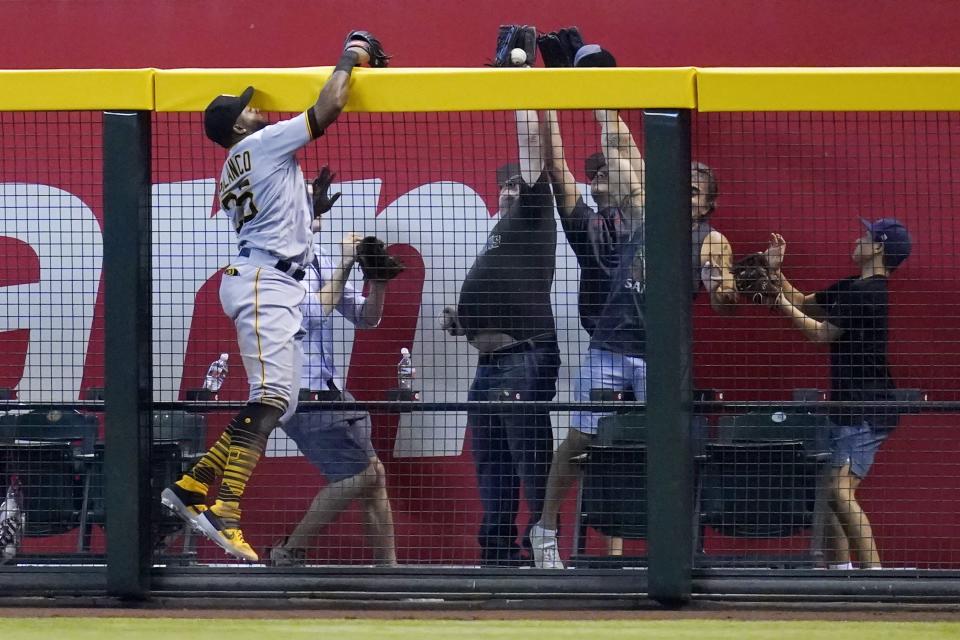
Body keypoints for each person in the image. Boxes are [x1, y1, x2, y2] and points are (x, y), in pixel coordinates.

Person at [160, 33, 383, 562]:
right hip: (265, 282)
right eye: (246, 109)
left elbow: (276, 219)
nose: (255, 109)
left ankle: (194, 487)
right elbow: (329, 105)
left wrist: (311, 209)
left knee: (277, 401)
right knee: (274, 400)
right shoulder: (258, 143)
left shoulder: (241, 161)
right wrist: (351, 54)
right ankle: (222, 510)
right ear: (237, 126)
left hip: (267, 276)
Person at [440, 108, 560, 567]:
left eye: (516, 183)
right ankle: (497, 555)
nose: (510, 190)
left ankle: (541, 551)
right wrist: (466, 318)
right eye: (505, 185)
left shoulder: (534, 211)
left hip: (522, 357)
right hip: (492, 362)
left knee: (530, 462)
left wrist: (521, 87)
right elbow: (504, 288)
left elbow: (532, 143)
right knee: (492, 463)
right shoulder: (503, 230)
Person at [268, 170, 397, 567]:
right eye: (307, 199)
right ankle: (288, 552)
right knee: (358, 476)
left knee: (373, 479)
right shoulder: (274, 257)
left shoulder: (317, 256)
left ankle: (391, 578)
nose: (319, 205)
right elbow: (314, 313)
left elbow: (366, 319)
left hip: (330, 390)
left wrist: (378, 280)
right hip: (298, 392)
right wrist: (346, 261)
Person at [766, 218, 911, 569]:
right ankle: (840, 573)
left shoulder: (869, 292)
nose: (858, 239)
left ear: (878, 247)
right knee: (832, 493)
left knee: (838, 490)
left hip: (868, 407)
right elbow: (803, 302)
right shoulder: (853, 286)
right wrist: (774, 272)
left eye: (865, 236)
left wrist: (777, 302)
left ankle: (875, 577)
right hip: (849, 404)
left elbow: (820, 334)